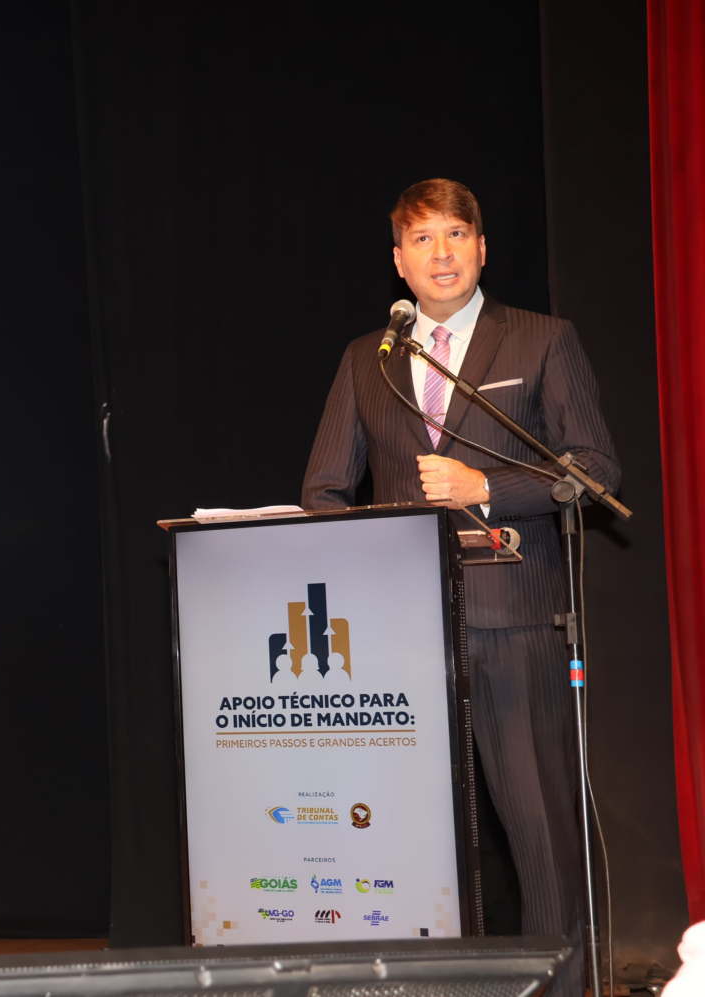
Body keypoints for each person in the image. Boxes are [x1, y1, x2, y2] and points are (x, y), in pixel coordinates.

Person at [301, 178, 621, 997]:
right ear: (398, 261)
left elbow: (594, 467)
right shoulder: (367, 358)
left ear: (481, 247)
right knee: (408, 840)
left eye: (454, 234)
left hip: (517, 622)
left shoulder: (541, 339)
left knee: (540, 835)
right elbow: (324, 491)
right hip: (402, 637)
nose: (439, 253)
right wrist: (369, 566)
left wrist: (485, 485)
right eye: (421, 239)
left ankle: (563, 988)